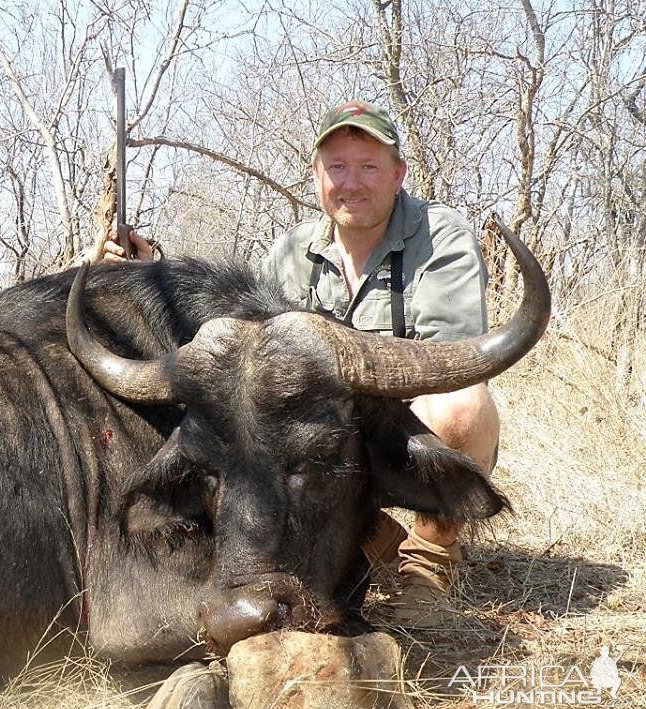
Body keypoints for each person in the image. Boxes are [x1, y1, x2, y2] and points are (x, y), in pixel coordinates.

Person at [104, 100, 499, 627]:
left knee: (459, 407)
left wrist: (336, 377)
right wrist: (149, 276)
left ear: (399, 174)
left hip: (397, 428)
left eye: (368, 166)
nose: (351, 182)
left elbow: (449, 359)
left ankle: (428, 567)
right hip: (321, 450)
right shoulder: (291, 249)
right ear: (317, 175)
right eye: (337, 167)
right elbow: (246, 350)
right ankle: (363, 537)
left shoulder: (442, 236)